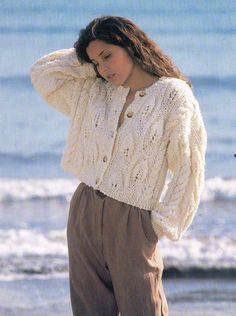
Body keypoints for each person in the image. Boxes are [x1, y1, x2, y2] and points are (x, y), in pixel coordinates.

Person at [30, 15, 207, 316]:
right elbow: (43, 73)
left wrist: (157, 227)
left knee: (145, 309)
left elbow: (189, 168)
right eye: (96, 63)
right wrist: (85, 58)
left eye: (108, 55)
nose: (103, 68)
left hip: (133, 221)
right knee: (89, 309)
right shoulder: (94, 90)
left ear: (131, 44)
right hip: (84, 209)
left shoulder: (174, 96)